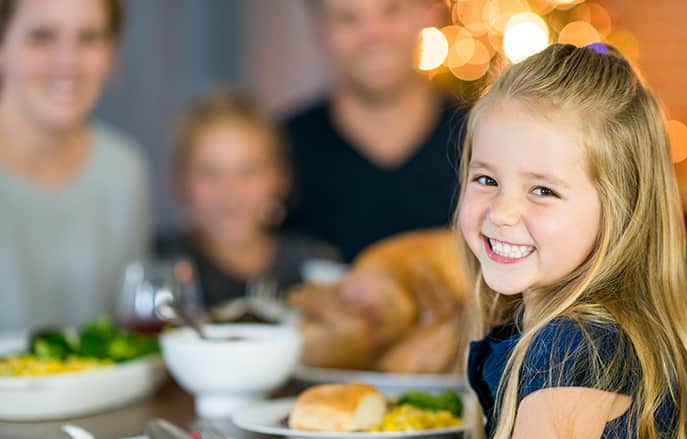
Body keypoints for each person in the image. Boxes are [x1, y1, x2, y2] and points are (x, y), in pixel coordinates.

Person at [457, 44, 687, 438]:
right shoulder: (586, 332)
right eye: (486, 180)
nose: (501, 212)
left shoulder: (571, 347)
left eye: (542, 190)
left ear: (619, 208)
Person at [0, 0, 149, 331]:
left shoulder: (123, 172)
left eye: (89, 37)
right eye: (41, 37)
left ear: (111, 53)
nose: (67, 63)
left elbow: (130, 335)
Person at [284, 0, 464, 261]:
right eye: (348, 18)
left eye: (392, 10)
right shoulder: (282, 151)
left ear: (429, 15)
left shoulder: (481, 139)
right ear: (319, 32)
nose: (374, 35)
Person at [155, 90, 339, 311]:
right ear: (181, 181)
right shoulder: (158, 264)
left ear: (280, 178)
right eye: (209, 173)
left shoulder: (316, 268)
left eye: (248, 171)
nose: (230, 193)